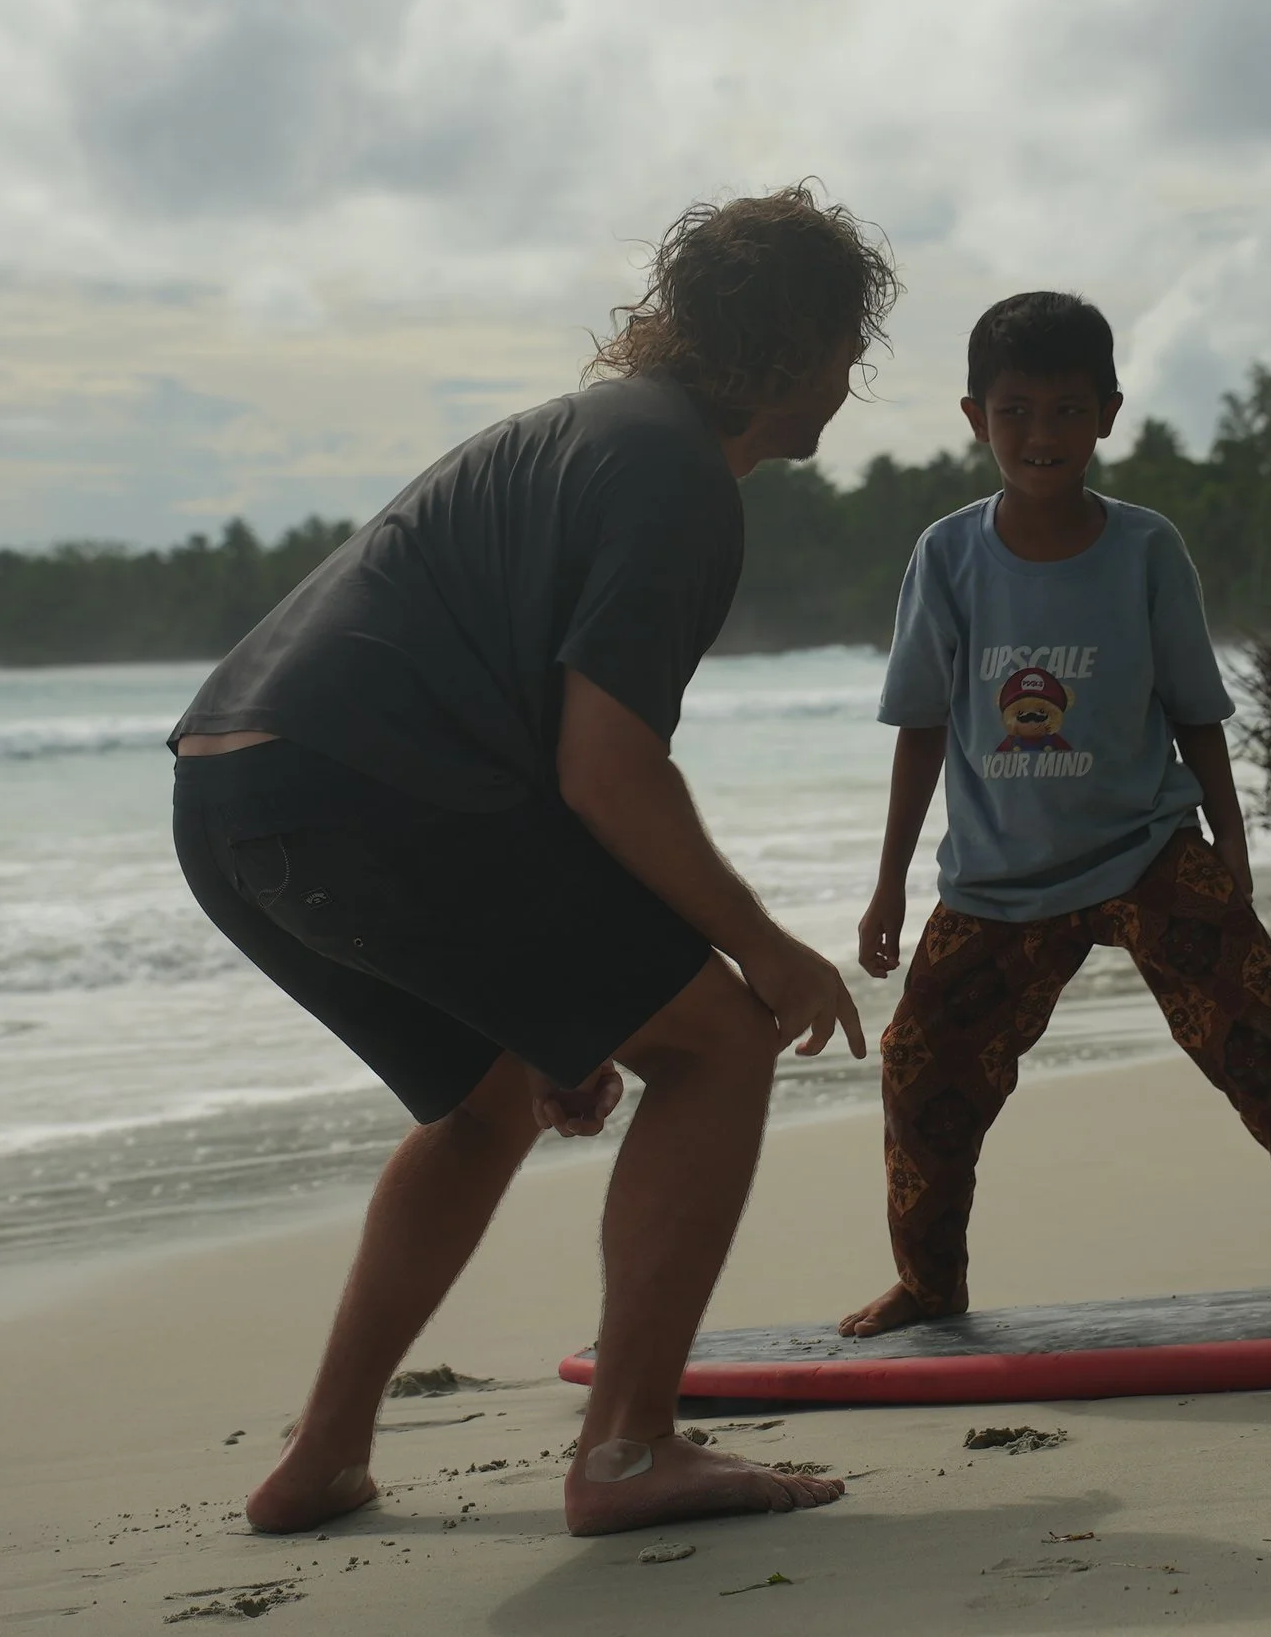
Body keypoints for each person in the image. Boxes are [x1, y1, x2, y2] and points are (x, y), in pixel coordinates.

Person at [169, 185, 896, 1537]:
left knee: (487, 1097)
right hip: (370, 796)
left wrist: (560, 1019)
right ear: (793, 350)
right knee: (721, 1041)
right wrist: (766, 949)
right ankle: (628, 1450)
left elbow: (534, 761)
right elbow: (604, 768)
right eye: (846, 352)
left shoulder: (581, 434)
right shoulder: (678, 479)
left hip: (230, 790)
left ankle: (324, 1453)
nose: (851, 381)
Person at [837, 292, 1271, 1340]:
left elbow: (1193, 709)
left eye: (1067, 410)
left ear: (1109, 415)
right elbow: (922, 727)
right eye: (1015, 411)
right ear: (975, 417)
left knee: (1267, 1030)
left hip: (1146, 849)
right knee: (921, 1066)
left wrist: (1232, 841)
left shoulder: (1144, 548)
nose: (1041, 434)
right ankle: (929, 1283)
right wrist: (888, 883)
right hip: (997, 875)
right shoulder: (946, 557)